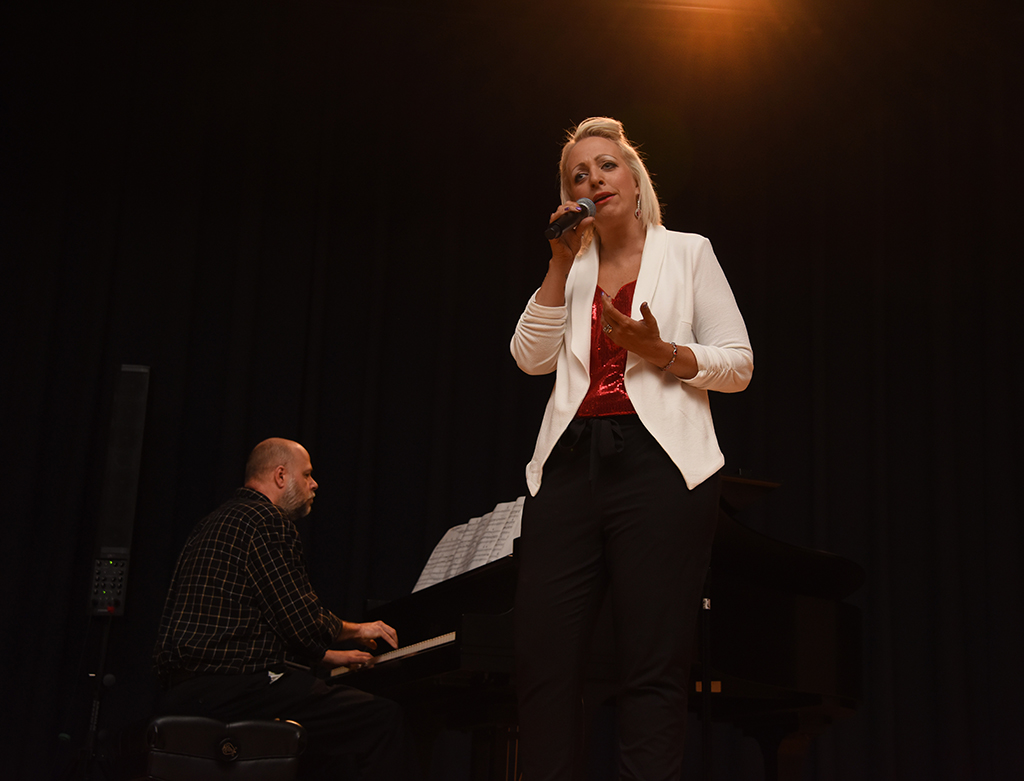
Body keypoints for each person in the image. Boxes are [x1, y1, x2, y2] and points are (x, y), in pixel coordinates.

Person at [510, 117, 753, 780]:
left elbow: (739, 364)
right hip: (569, 465)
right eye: (577, 175)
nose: (592, 179)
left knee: (653, 664)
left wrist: (662, 351)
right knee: (546, 665)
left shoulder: (689, 253)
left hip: (660, 467)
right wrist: (559, 265)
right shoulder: (574, 264)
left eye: (605, 166)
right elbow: (529, 357)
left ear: (634, 177)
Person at [152, 437, 416, 779]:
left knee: (325, 743)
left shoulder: (212, 523)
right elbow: (303, 623)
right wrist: (360, 629)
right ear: (280, 476)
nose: (314, 483)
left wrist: (332, 657)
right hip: (238, 690)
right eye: (306, 474)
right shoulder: (267, 521)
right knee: (382, 719)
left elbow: (254, 626)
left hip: (184, 692)